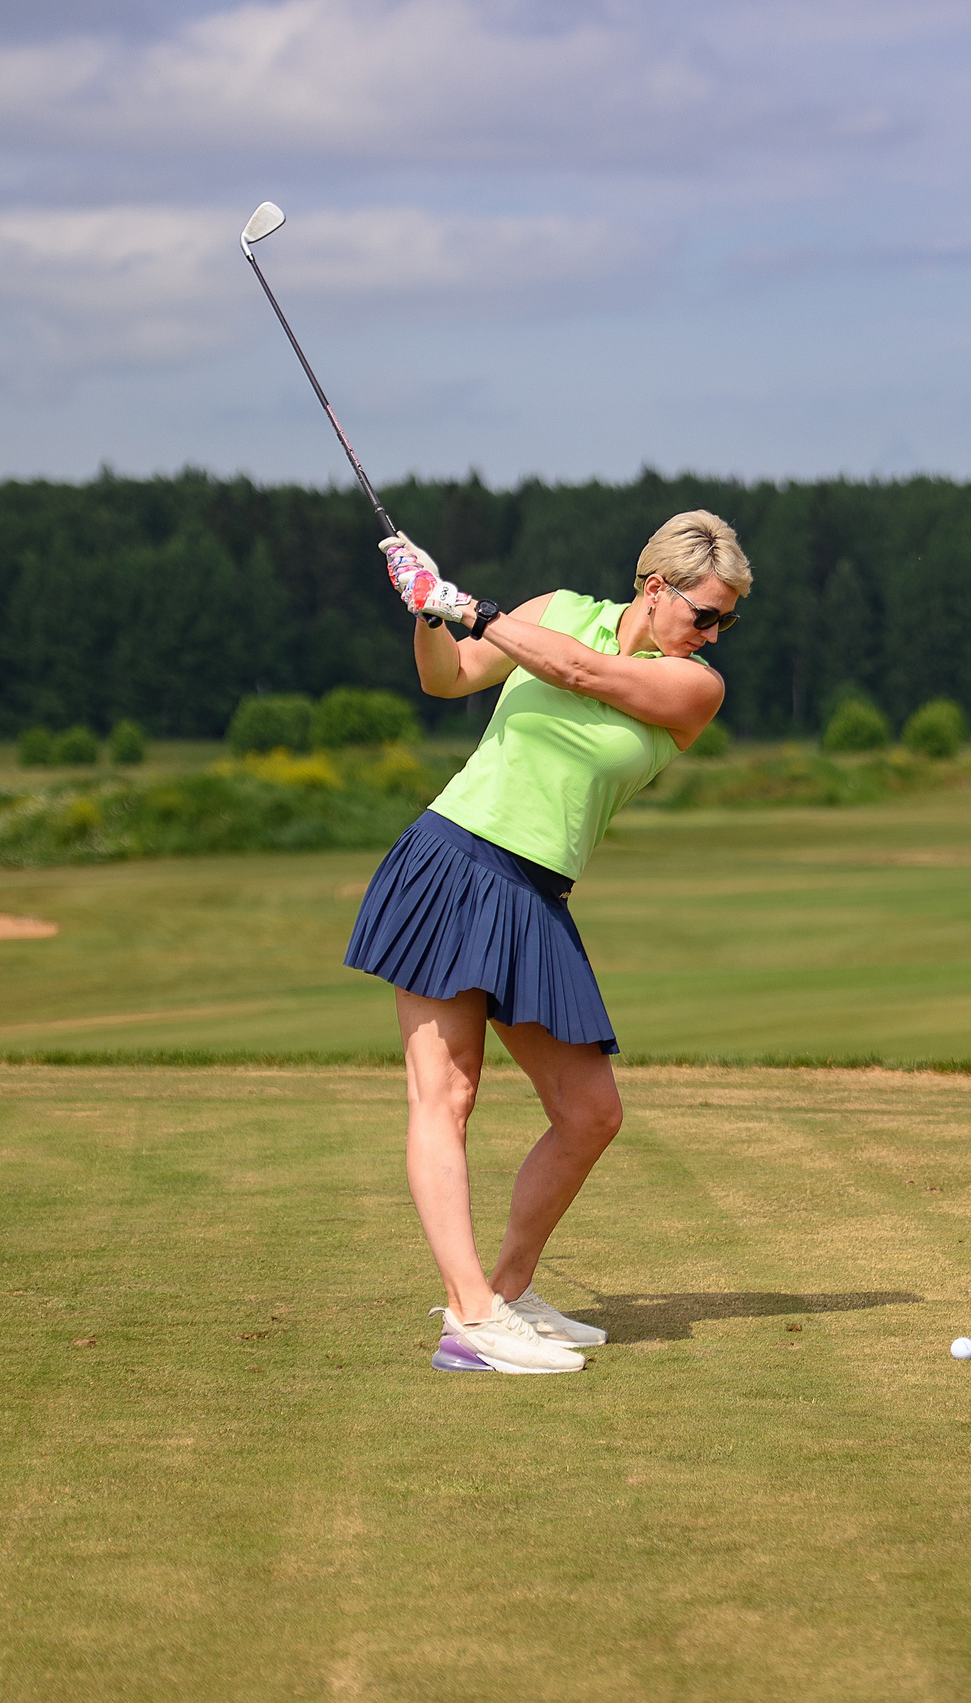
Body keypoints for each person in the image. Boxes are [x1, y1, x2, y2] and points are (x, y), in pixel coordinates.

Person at [344, 510, 750, 1374]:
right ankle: (470, 1318)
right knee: (445, 1095)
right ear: (655, 586)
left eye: (726, 621)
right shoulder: (557, 606)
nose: (715, 634)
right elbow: (450, 678)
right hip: (453, 857)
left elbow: (577, 671)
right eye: (705, 614)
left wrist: (464, 601)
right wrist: (426, 611)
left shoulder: (694, 687)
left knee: (591, 1111)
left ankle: (509, 1290)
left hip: (535, 893)